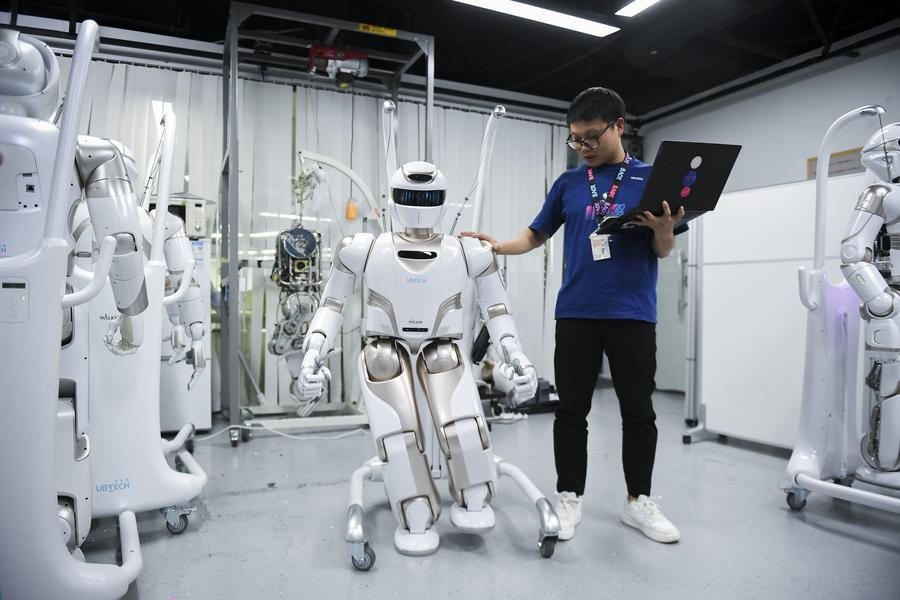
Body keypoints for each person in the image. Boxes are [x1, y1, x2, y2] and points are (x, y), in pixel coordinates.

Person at [462, 86, 686, 543]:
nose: (583, 148)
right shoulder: (568, 183)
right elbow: (536, 233)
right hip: (577, 313)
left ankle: (638, 501)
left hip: (633, 314)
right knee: (571, 411)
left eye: (590, 138)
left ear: (618, 127)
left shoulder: (650, 178)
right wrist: (499, 246)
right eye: (575, 140)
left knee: (639, 412)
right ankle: (569, 497)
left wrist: (664, 231)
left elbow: (663, 250)